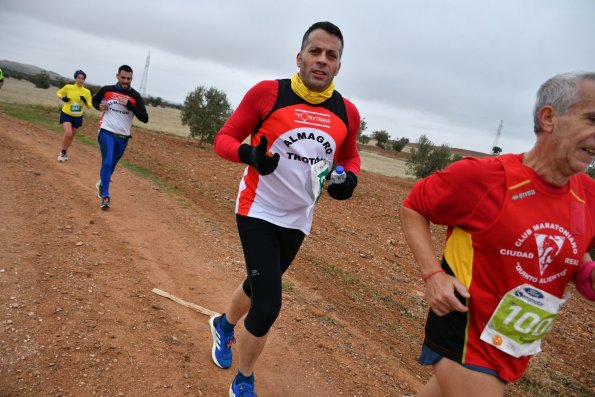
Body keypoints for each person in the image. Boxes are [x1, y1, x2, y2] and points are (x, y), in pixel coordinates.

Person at [400, 72, 595, 397]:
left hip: (512, 341)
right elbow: (413, 206)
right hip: (463, 329)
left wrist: (585, 269)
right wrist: (433, 274)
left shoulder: (588, 195)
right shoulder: (484, 178)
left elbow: (579, 244)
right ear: (549, 118)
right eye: (591, 118)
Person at [210, 21, 361, 397]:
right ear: (300, 57)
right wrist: (249, 154)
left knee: (261, 281)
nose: (322, 60)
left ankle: (224, 326)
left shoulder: (348, 112)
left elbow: (350, 157)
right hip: (257, 208)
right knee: (269, 302)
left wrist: (349, 180)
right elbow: (223, 139)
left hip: (299, 218)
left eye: (332, 55)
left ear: (339, 65)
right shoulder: (268, 94)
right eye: (315, 51)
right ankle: (243, 381)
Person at [91, 65, 148, 209]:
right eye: (123, 77)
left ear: (132, 79)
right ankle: (106, 196)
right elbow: (94, 100)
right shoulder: (107, 90)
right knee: (107, 162)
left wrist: (130, 105)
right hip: (106, 130)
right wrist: (99, 106)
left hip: (123, 137)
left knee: (112, 166)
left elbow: (145, 118)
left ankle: (102, 183)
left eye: (129, 79)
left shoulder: (135, 96)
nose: (126, 81)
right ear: (117, 76)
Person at [56, 70, 92, 162]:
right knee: (68, 133)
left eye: (82, 78)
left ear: (84, 80)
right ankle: (62, 153)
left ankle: (65, 151)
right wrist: (63, 98)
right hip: (66, 114)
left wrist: (85, 101)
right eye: (79, 78)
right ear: (75, 78)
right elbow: (59, 93)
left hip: (77, 116)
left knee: (71, 137)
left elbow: (89, 106)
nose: (80, 80)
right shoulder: (69, 87)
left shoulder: (86, 92)